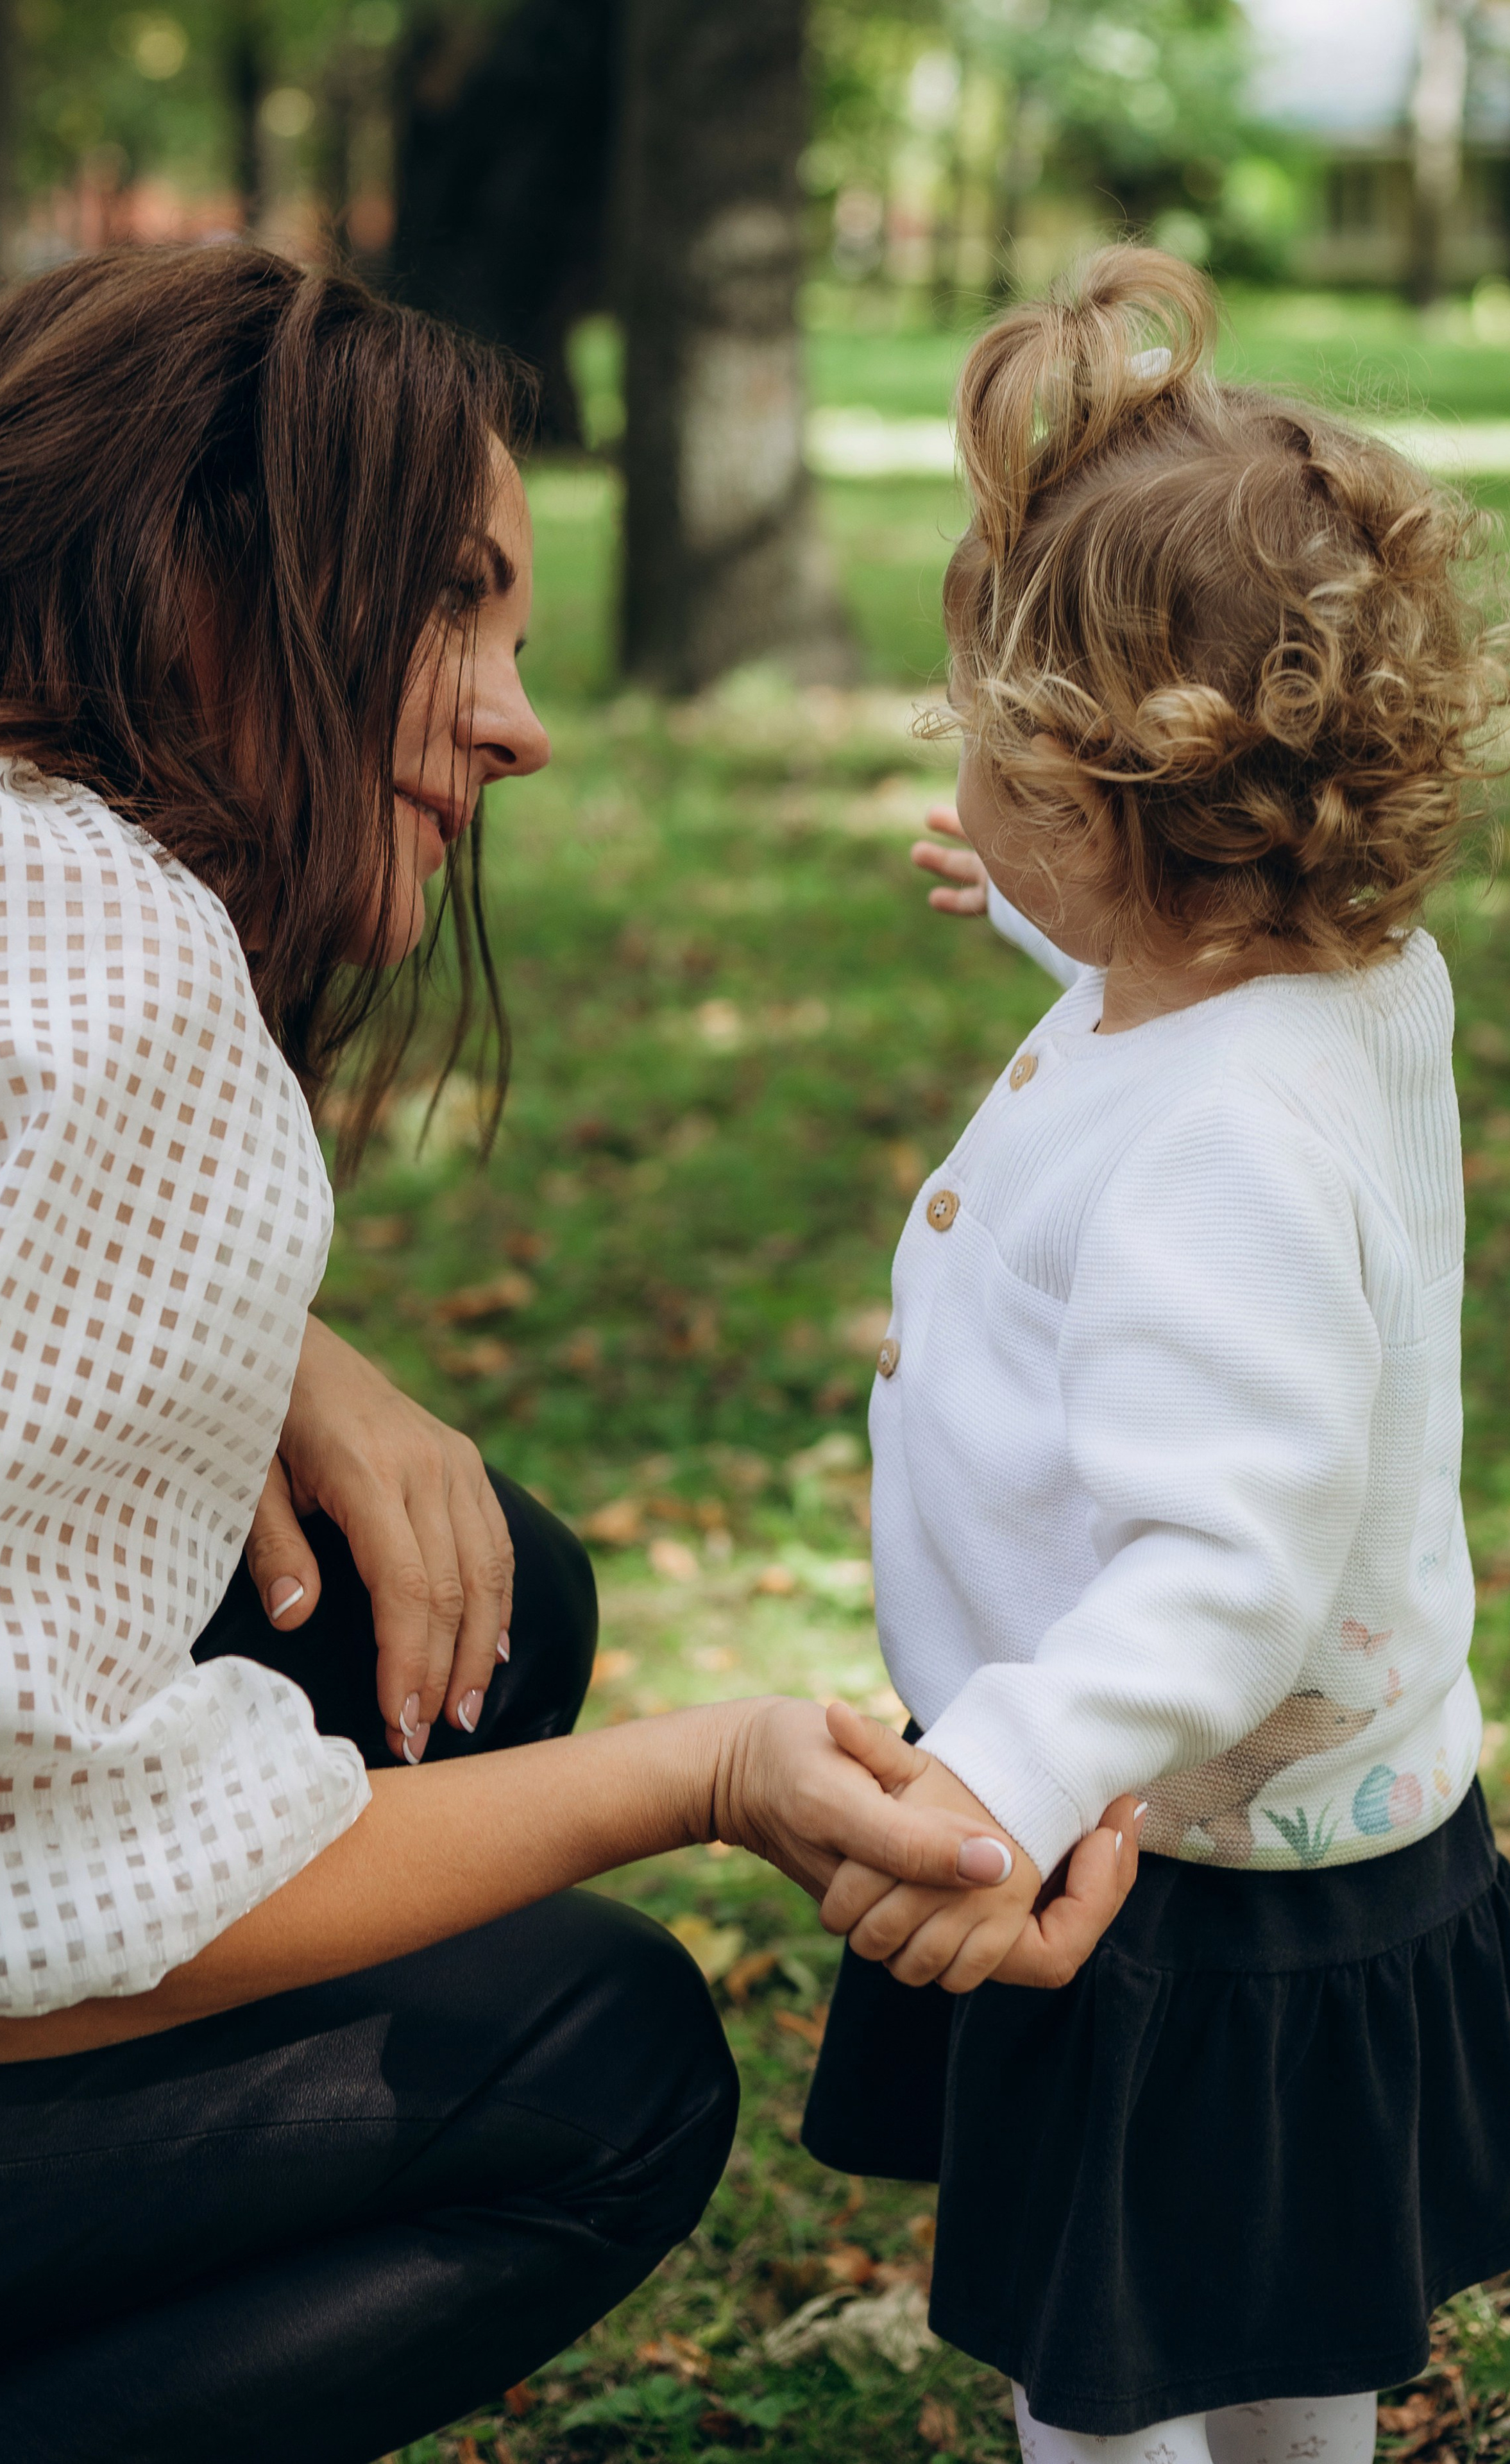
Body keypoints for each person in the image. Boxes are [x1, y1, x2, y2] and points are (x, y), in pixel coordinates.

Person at [0, 246, 1142, 2464]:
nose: (519, 720)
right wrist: (710, 1772)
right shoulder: (132, 1006)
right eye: (451, 602)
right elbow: (5, 1953)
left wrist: (291, 1351)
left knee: (476, 1612)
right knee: (599, 2069)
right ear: (196, 568)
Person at [801, 245, 1510, 2462]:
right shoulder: (1341, 984)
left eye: (993, 755)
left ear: (1117, 802)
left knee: (1105, 2354)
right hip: (1319, 1822)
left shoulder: (1221, 1146)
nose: (970, 778)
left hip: (1145, 1842)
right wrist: (1042, 907)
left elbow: (1226, 1556)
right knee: (1283, 2291)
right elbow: (1206, 962)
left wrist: (1006, 1776)